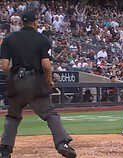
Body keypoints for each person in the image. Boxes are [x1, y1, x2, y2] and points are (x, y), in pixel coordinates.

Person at [0, 10, 77, 158]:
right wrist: (49, 80)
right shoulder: (42, 39)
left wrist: (17, 72)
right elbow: (46, 65)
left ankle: (4, 149)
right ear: (35, 22)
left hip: (14, 82)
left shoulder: (9, 39)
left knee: (13, 116)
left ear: (21, 22)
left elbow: (4, 66)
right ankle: (62, 143)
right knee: (50, 114)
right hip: (34, 81)